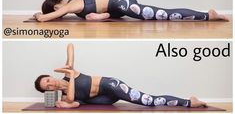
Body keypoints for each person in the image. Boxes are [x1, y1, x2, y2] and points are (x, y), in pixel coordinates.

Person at [34, 44, 207, 108]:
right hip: (105, 99)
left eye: (48, 80)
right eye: (47, 87)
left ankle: (189, 102)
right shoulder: (65, 94)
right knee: (78, 103)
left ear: (50, 76)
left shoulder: (68, 76)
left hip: (111, 85)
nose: (51, 85)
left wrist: (70, 66)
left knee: (148, 101)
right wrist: (66, 105)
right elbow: (74, 101)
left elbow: (70, 45)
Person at [33, 0, 228, 22]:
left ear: (57, 6)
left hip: (121, 2)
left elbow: (43, 19)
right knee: (159, 14)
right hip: (116, 7)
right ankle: (206, 15)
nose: (58, 15)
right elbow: (105, 12)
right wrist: (99, 18)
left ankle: (207, 15)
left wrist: (38, 15)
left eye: (55, 11)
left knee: (161, 15)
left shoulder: (70, 5)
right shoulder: (75, 8)